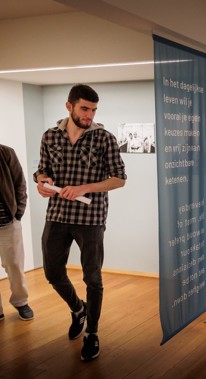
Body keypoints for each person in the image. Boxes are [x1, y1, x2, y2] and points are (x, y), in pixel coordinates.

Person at [34, 84, 127, 361]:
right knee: (52, 272)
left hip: (91, 219)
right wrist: (41, 181)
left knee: (93, 278)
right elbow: (42, 169)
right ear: (69, 106)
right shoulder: (50, 136)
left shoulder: (104, 138)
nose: (89, 115)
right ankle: (78, 309)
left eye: (94, 109)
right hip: (57, 215)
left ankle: (92, 333)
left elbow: (119, 179)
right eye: (85, 108)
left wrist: (84, 187)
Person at [0, 144, 34, 322]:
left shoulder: (6, 152)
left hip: (7, 222)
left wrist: (18, 212)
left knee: (14, 265)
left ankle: (21, 302)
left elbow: (20, 183)